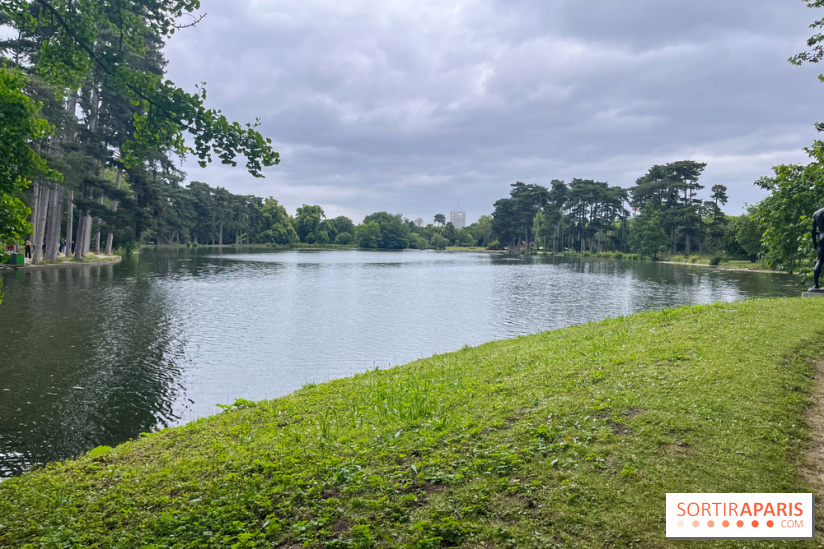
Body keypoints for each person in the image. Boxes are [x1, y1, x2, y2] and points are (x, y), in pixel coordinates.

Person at [812, 206, 824, 290]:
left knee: (820, 261)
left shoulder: (817, 213)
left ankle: (816, 284)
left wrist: (814, 243)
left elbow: (813, 230)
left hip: (822, 238)